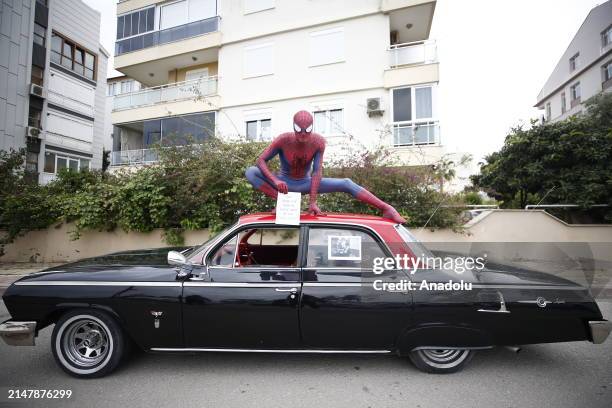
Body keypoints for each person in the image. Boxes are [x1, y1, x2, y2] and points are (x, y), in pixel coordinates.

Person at [245, 110, 406, 223]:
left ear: (312, 128)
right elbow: (261, 161)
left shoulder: (318, 142)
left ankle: (387, 208)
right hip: (283, 185)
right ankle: (284, 202)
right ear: (293, 127)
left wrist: (313, 202)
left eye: (306, 130)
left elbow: (317, 172)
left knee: (346, 183)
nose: (302, 135)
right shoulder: (283, 139)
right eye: (298, 130)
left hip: (305, 183)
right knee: (251, 172)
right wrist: (275, 180)